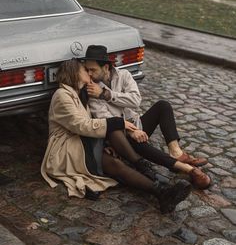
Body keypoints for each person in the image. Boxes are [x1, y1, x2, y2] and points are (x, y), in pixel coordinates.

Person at [41, 58, 192, 214]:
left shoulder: (78, 94)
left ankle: (161, 190)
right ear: (75, 73)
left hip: (80, 143)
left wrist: (106, 140)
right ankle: (156, 184)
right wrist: (119, 123)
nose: (89, 73)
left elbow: (92, 124)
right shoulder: (62, 95)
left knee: (115, 160)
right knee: (116, 161)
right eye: (85, 70)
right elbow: (81, 125)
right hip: (66, 150)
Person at [83, 45, 211, 190]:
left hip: (137, 124)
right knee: (140, 144)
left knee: (163, 105)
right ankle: (186, 169)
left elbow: (135, 101)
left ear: (105, 67)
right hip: (119, 137)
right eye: (87, 70)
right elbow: (105, 118)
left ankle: (176, 152)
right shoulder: (91, 88)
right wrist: (131, 130)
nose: (89, 74)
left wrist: (106, 94)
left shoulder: (123, 75)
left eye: (92, 69)